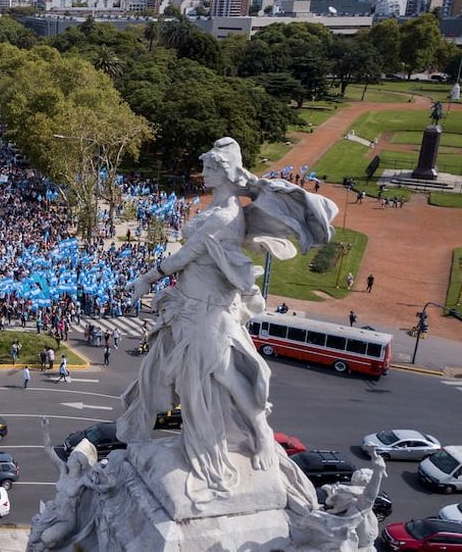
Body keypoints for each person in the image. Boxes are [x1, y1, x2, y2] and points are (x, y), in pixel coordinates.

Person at [119, 137, 337, 500]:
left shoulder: (223, 217)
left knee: (223, 377)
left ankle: (260, 435)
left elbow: (182, 258)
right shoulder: (219, 209)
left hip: (208, 313)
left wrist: (145, 278)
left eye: (207, 167)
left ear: (222, 173)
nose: (201, 172)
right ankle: (146, 429)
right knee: (166, 373)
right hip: (186, 305)